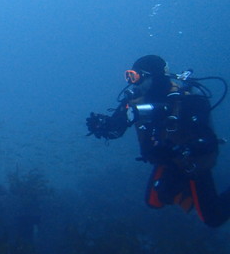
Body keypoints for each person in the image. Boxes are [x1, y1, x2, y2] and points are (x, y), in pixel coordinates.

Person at [86, 55, 230, 227]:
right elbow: (116, 129)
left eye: (136, 76)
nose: (133, 83)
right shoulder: (134, 99)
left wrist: (180, 150)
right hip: (167, 161)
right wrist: (102, 126)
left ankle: (187, 186)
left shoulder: (187, 100)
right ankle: (182, 189)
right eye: (129, 76)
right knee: (154, 201)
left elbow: (208, 142)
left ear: (153, 76)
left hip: (191, 163)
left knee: (213, 218)